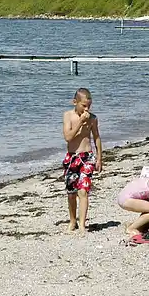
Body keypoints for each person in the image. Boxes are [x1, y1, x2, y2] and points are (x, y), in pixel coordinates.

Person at [62, 88, 103, 233]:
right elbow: (68, 137)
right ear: (75, 102)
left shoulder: (92, 118)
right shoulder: (68, 116)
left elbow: (97, 137)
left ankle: (82, 225)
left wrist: (99, 158)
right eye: (83, 106)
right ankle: (72, 221)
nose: (87, 109)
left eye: (89, 106)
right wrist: (80, 122)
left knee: (83, 191)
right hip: (72, 157)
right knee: (71, 193)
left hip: (87, 157)